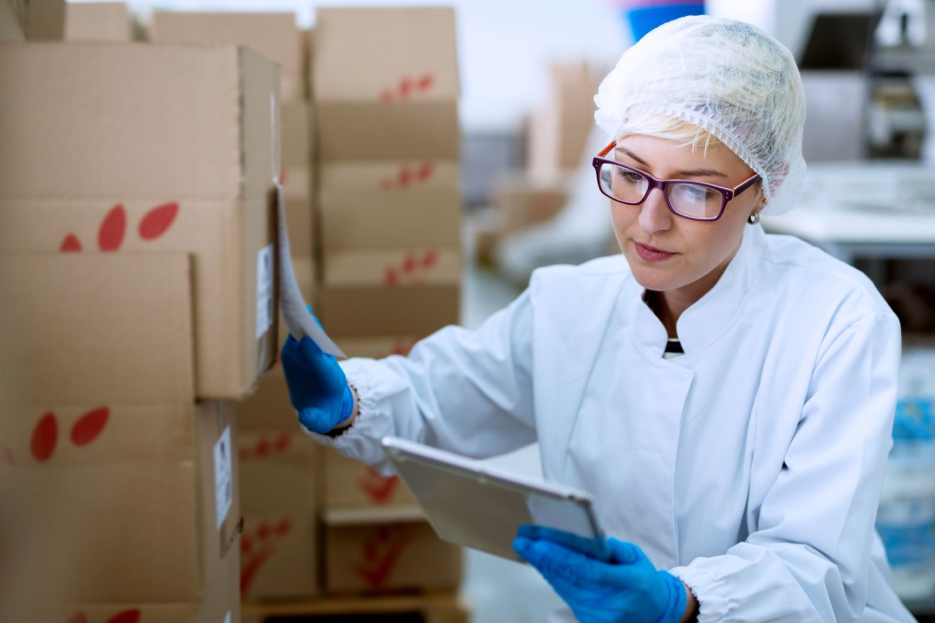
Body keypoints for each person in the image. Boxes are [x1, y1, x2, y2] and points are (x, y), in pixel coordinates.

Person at [281, 16, 917, 623]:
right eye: (631, 174)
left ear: (765, 188)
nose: (649, 220)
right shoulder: (569, 303)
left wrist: (682, 604)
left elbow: (817, 564)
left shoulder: (835, 320)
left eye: (695, 190)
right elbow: (442, 398)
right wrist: (352, 399)